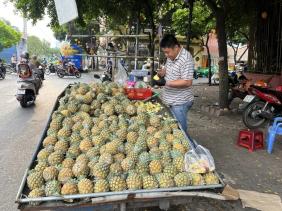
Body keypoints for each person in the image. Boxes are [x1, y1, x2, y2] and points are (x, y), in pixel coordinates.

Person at [158, 34, 194, 137]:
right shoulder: (171, 56)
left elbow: (187, 82)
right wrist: (162, 72)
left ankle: (192, 151)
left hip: (180, 102)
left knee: (180, 133)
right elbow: (168, 69)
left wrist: (166, 83)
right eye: (164, 52)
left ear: (176, 47)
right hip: (170, 99)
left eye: (167, 52)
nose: (166, 55)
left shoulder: (186, 58)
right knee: (171, 130)